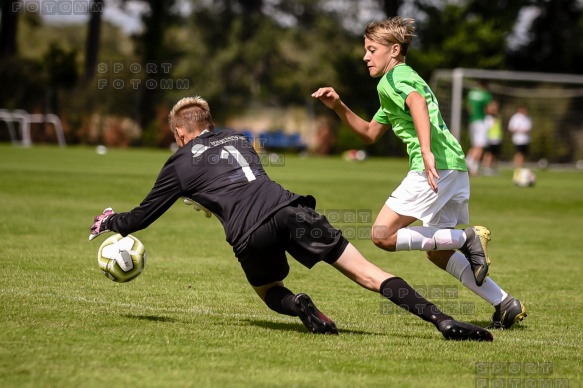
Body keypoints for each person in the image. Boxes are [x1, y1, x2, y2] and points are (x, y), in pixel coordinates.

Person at [89, 95, 493, 341]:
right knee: (368, 273)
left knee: (269, 291)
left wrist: (109, 221)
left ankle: (299, 303)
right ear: (210, 125)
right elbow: (227, 175)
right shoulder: (237, 138)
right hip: (289, 208)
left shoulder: (178, 162)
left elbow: (141, 217)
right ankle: (442, 320)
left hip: (249, 233)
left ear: (179, 134)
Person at [311, 17, 526, 329]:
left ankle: (467, 238)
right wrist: (339, 106)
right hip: (453, 166)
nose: (365, 57)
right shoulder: (401, 81)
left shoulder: (395, 79)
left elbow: (417, 104)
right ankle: (504, 303)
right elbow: (370, 133)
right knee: (438, 253)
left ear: (394, 50)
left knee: (381, 235)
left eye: (372, 50)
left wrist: (425, 151)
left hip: (434, 166)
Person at [465, 80, 493, 176]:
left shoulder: (471, 93)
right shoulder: (485, 94)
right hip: (481, 121)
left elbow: (469, 108)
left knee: (474, 146)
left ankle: (467, 162)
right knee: (479, 146)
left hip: (472, 121)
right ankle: (473, 168)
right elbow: (489, 109)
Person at [481, 100, 503, 176]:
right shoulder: (488, 118)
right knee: (488, 154)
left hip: (497, 139)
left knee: (495, 155)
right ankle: (486, 168)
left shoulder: (497, 117)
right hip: (490, 139)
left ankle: (493, 168)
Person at [508, 105, 532, 169]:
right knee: (519, 153)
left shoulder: (527, 118)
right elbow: (511, 128)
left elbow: (529, 128)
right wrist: (519, 130)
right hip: (518, 139)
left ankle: (521, 166)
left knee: (523, 154)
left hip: (525, 139)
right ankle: (517, 166)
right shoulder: (515, 117)